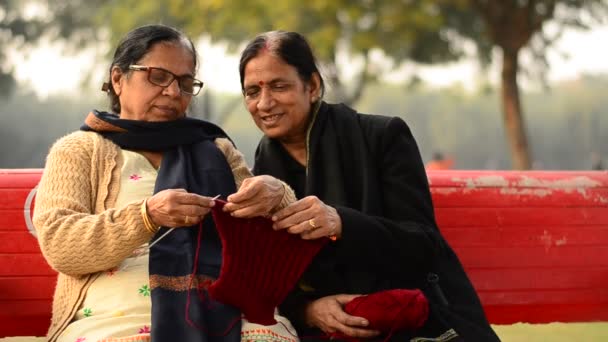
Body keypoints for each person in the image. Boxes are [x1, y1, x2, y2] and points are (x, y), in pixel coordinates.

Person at [227, 30, 500, 341]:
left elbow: (422, 244)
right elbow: (267, 276)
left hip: (414, 321)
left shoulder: (383, 137)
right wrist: (308, 310)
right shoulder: (262, 173)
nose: (264, 103)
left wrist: (340, 222)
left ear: (312, 86)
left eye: (279, 86)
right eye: (252, 91)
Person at [33, 24, 298, 342]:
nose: (173, 92)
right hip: (116, 321)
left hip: (226, 315)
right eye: (158, 76)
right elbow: (61, 246)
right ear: (118, 79)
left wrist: (276, 195)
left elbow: (277, 238)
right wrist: (146, 215)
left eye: (186, 83)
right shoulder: (79, 149)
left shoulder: (216, 149)